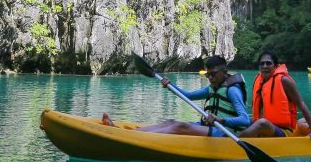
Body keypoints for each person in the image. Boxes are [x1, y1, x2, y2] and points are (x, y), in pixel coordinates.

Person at [101, 55, 250, 136]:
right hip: (210, 126)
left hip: (224, 132)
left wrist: (221, 119)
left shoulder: (232, 90)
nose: (210, 78)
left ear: (224, 72)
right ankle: (127, 133)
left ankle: (131, 136)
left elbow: (245, 120)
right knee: (170, 122)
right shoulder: (213, 87)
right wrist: (170, 86)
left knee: (180, 126)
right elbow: (188, 96)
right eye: (208, 75)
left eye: (213, 74)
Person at [238, 51, 311, 145]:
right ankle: (233, 138)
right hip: (265, 128)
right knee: (242, 121)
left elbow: (301, 104)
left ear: (276, 66)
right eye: (262, 63)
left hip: (284, 131)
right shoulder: (259, 81)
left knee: (262, 123)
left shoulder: (284, 80)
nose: (265, 66)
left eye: (268, 63)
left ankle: (234, 141)